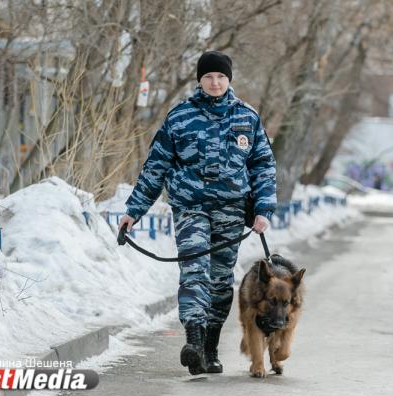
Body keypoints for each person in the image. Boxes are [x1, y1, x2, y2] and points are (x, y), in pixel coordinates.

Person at [118, 50, 277, 375]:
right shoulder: (180, 117)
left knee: (220, 281)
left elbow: (264, 166)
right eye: (208, 77)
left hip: (232, 210)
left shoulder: (247, 117)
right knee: (194, 271)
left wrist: (263, 208)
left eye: (220, 76)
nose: (215, 82)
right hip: (190, 208)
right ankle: (192, 339)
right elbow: (156, 166)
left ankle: (210, 347)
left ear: (228, 79)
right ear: (199, 80)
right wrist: (133, 211)